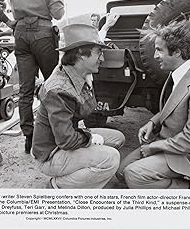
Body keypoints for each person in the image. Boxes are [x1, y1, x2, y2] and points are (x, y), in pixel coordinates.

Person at [117, 16, 190, 189]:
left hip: (187, 155)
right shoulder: (177, 74)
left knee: (133, 175)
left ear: (177, 52)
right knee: (120, 172)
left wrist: (153, 148)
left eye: (159, 50)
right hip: (169, 144)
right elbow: (174, 107)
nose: (155, 56)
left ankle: (186, 187)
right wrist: (153, 121)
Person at [32, 24, 125, 189]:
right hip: (51, 154)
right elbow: (66, 141)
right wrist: (89, 138)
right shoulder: (59, 89)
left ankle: (80, 175)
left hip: (63, 140)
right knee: (111, 159)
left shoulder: (75, 72)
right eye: (99, 53)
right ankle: (58, 186)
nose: (102, 59)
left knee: (118, 139)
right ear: (81, 54)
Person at [0, 0, 65, 154]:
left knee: (25, 90)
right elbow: (58, 14)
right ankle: (54, 135)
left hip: (20, 33)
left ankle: (29, 138)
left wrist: (8, 21)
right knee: (53, 86)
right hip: (43, 34)